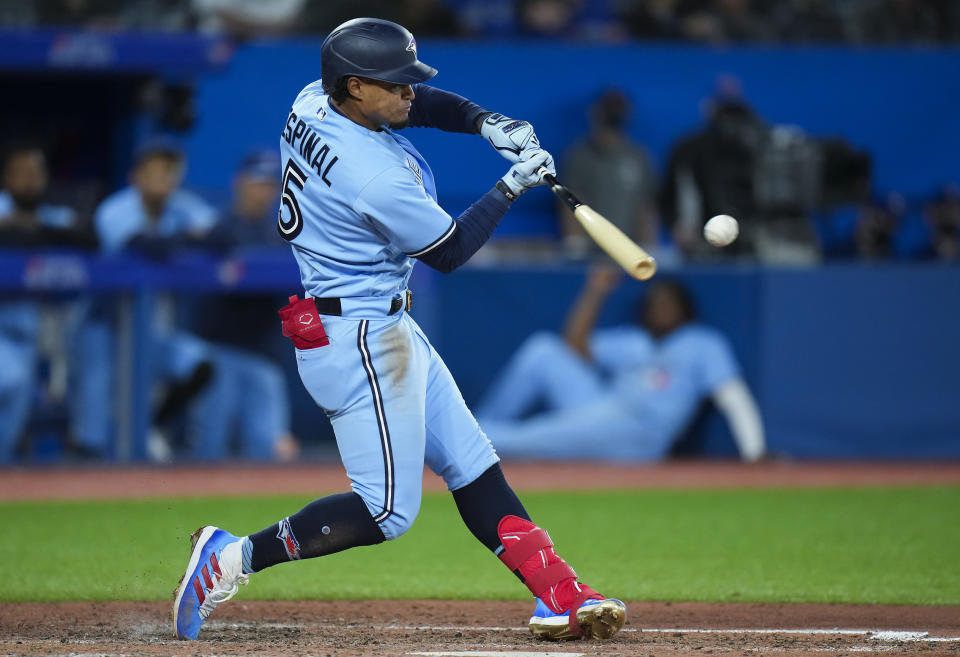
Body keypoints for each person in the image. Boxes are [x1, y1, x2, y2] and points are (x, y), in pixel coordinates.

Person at [172, 17, 627, 643]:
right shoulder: (372, 176)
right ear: (355, 87)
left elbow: (416, 107)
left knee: (472, 465)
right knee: (386, 511)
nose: (410, 93)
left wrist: (483, 122)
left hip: (374, 320)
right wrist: (511, 185)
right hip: (357, 338)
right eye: (395, 84)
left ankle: (560, 591)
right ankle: (229, 558)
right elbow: (448, 250)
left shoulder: (314, 97)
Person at [477, 265, 766, 462]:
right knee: (543, 349)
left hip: (639, 431)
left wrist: (755, 452)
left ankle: (463, 442)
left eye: (669, 303)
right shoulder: (636, 340)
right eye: (655, 303)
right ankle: (476, 427)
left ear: (685, 308)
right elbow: (575, 345)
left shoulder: (702, 342)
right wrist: (596, 291)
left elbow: (732, 395)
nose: (661, 308)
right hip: (604, 407)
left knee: (528, 439)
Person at [72, 139, 218, 460]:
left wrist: (184, 239)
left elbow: (220, 234)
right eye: (153, 172)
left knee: (199, 365)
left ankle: (155, 426)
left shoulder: (183, 205)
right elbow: (145, 246)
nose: (161, 180)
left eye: (169, 173)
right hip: (103, 327)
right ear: (135, 176)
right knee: (93, 426)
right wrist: (186, 240)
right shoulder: (116, 209)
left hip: (150, 330)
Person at [187, 150, 299, 461]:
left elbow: (294, 297)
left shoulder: (281, 234)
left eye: (268, 184)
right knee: (209, 446)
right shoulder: (217, 228)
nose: (262, 191)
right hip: (218, 350)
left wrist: (309, 345)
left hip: (264, 355)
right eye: (256, 182)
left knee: (269, 451)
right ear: (239, 183)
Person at [0, 143, 94, 462]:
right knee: (9, 383)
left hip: (41, 337)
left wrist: (35, 231)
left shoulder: (55, 215)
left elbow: (89, 240)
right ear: (6, 179)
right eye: (21, 173)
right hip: (4, 331)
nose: (29, 180)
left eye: (36, 173)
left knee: (12, 430)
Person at [559, 88, 659, 259]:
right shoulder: (579, 157)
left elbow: (646, 207)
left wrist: (647, 249)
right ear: (594, 113)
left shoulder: (638, 157)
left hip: (629, 250)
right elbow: (571, 201)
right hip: (591, 252)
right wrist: (575, 245)